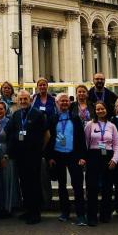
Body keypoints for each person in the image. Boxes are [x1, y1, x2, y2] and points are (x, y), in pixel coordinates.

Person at [5, 90, 49, 225]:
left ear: (30, 100)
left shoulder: (38, 114)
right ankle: (28, 210)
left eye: (25, 99)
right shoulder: (16, 114)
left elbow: (47, 135)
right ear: (17, 101)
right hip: (20, 156)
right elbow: (10, 131)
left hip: (33, 156)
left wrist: (40, 150)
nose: (23, 101)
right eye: (20, 99)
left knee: (34, 184)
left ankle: (36, 213)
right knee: (23, 183)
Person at [47, 93, 87, 225]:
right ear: (57, 103)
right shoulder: (53, 119)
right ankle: (65, 212)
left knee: (77, 185)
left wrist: (82, 156)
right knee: (62, 185)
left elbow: (81, 138)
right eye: (61, 101)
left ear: (69, 103)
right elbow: (50, 138)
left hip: (73, 155)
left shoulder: (75, 118)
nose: (64, 103)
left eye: (66, 101)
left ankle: (81, 214)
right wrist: (50, 156)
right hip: (58, 155)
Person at [84, 102, 118, 226]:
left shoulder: (112, 126)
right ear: (95, 111)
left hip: (108, 156)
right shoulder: (90, 125)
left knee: (107, 187)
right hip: (93, 156)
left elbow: (116, 145)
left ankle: (105, 215)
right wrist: (85, 159)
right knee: (92, 188)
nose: (100, 111)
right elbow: (85, 143)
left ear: (106, 109)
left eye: (102, 108)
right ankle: (92, 217)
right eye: (98, 109)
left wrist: (115, 159)